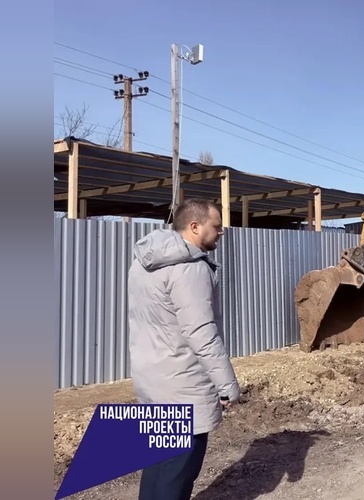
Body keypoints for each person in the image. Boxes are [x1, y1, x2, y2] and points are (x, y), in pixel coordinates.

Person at [128, 198, 241, 500]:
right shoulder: (191, 269)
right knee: (178, 472)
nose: (221, 232)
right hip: (183, 383)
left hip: (151, 378)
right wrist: (227, 385)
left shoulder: (144, 261)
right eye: (216, 226)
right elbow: (201, 333)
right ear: (194, 227)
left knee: (157, 464)